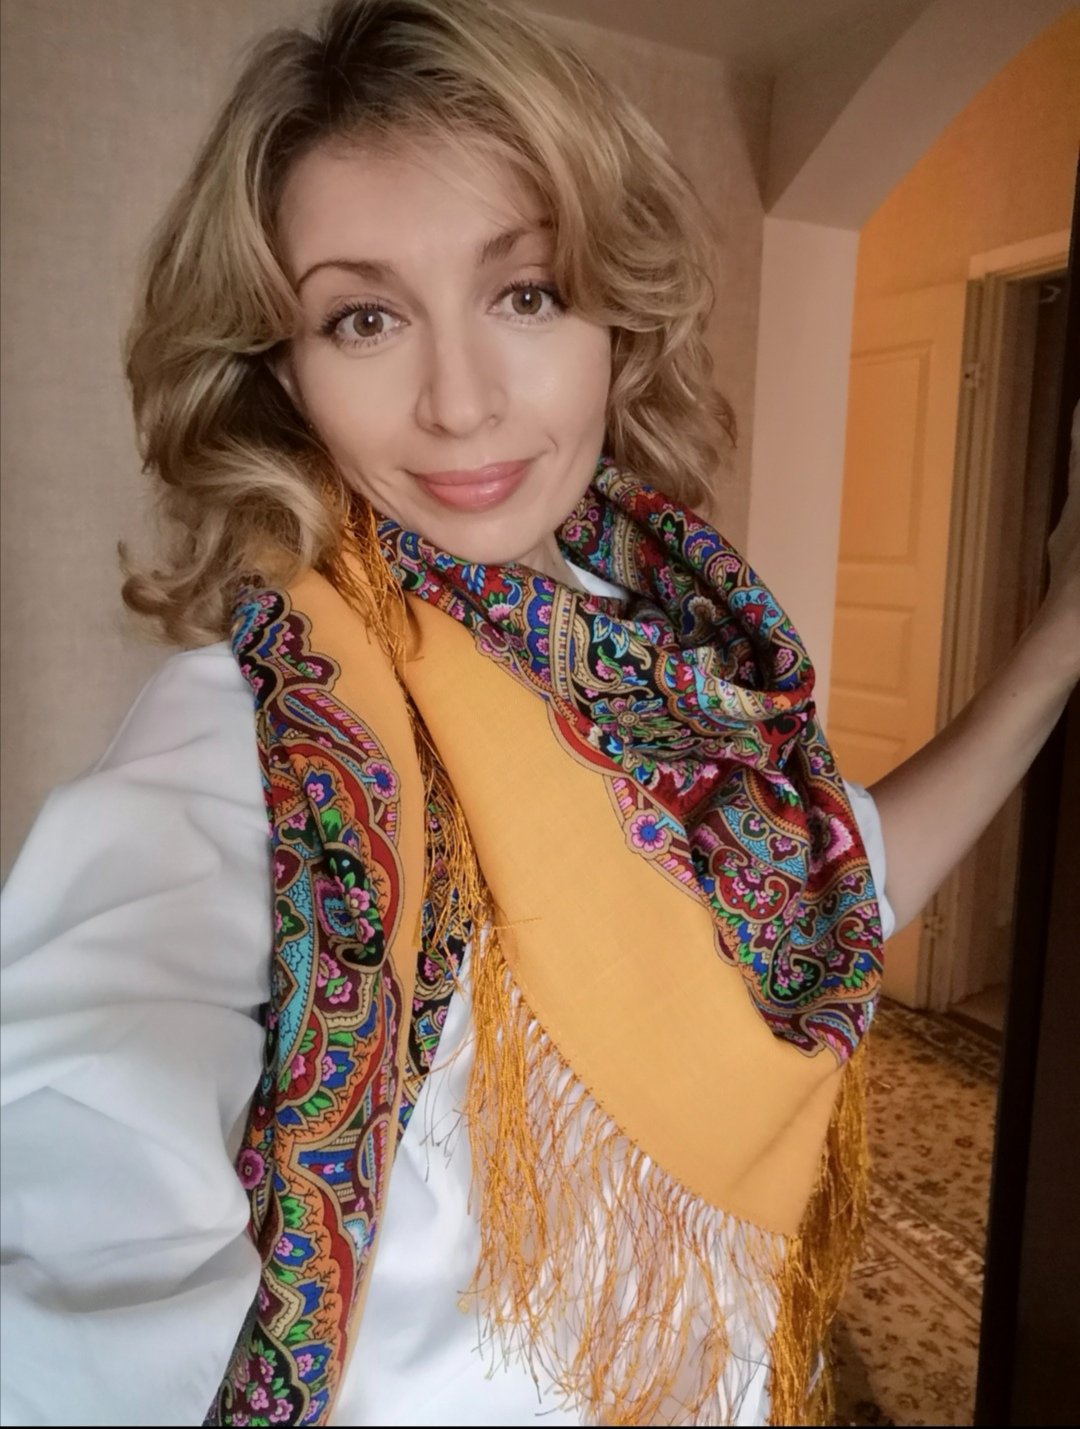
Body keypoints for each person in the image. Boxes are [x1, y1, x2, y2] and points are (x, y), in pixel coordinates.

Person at [1, 1, 1077, 1425]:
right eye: (365, 317)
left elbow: (828, 890)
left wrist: (1059, 637)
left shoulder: (659, 634)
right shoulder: (259, 734)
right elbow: (70, 1186)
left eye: (526, 293)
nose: (461, 404)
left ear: (617, 315)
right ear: (283, 371)